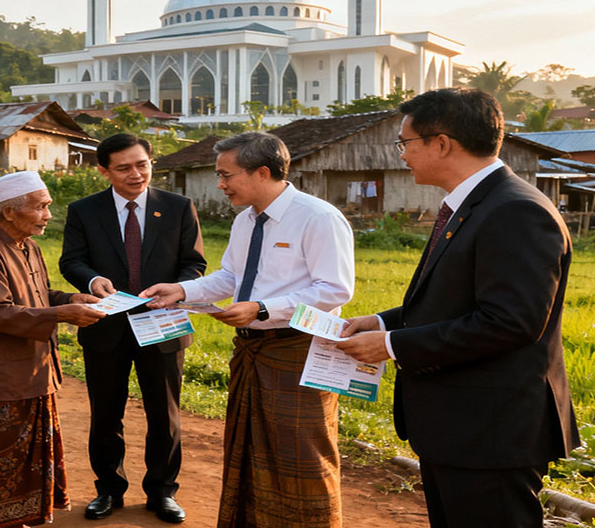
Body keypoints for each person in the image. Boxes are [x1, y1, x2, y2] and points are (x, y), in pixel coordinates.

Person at [336, 88, 578, 527]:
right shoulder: (473, 205)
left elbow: (509, 322)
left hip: (491, 430)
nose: (401, 156)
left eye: (405, 143)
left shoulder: (515, 211)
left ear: (441, 143)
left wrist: (391, 344)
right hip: (459, 426)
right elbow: (454, 299)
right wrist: (382, 321)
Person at [142, 131, 355, 528]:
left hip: (299, 351)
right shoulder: (245, 221)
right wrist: (182, 289)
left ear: (261, 172)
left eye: (226, 175)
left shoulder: (318, 217)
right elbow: (230, 276)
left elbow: (334, 289)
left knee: (302, 454)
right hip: (252, 352)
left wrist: (261, 309)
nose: (219, 185)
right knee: (249, 447)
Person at [58, 133, 206, 523]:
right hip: (106, 325)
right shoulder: (84, 210)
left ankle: (162, 492)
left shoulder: (178, 207)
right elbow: (71, 261)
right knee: (106, 413)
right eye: (123, 167)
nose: (136, 174)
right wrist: (92, 282)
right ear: (104, 170)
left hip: (163, 324)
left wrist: (177, 290)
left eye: (142, 164)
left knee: (165, 414)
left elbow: (194, 264)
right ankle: (109, 489)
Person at [0, 171, 106, 528]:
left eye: (48, 206)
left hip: (34, 370)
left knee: (27, 456)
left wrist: (70, 299)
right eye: (41, 207)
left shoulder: (27, 245)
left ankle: (19, 519)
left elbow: (36, 298)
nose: (48, 215)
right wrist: (61, 314)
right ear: (9, 212)